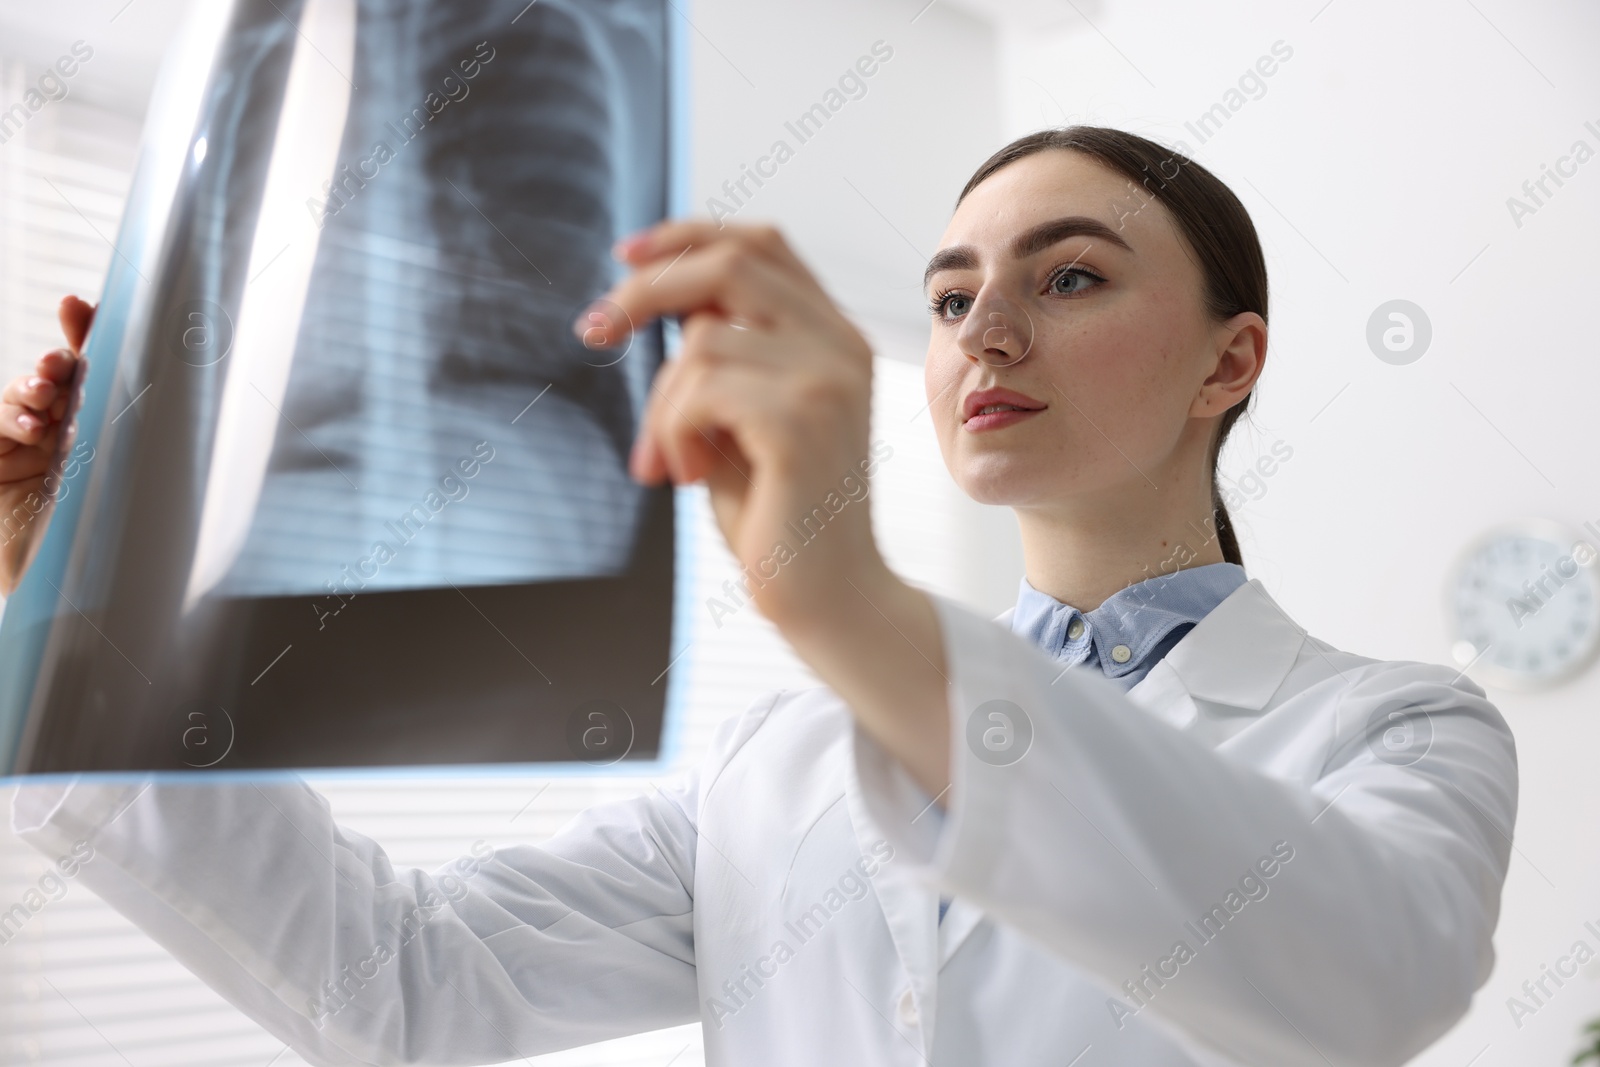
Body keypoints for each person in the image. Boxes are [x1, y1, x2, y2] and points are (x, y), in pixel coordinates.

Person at [4, 127, 1517, 1066]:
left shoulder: (1397, 729)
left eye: (1067, 279)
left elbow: (1363, 984)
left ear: (1229, 360)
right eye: (944, 297)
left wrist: (842, 598)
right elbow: (401, 988)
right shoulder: (774, 765)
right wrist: (69, 613)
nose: (984, 331)